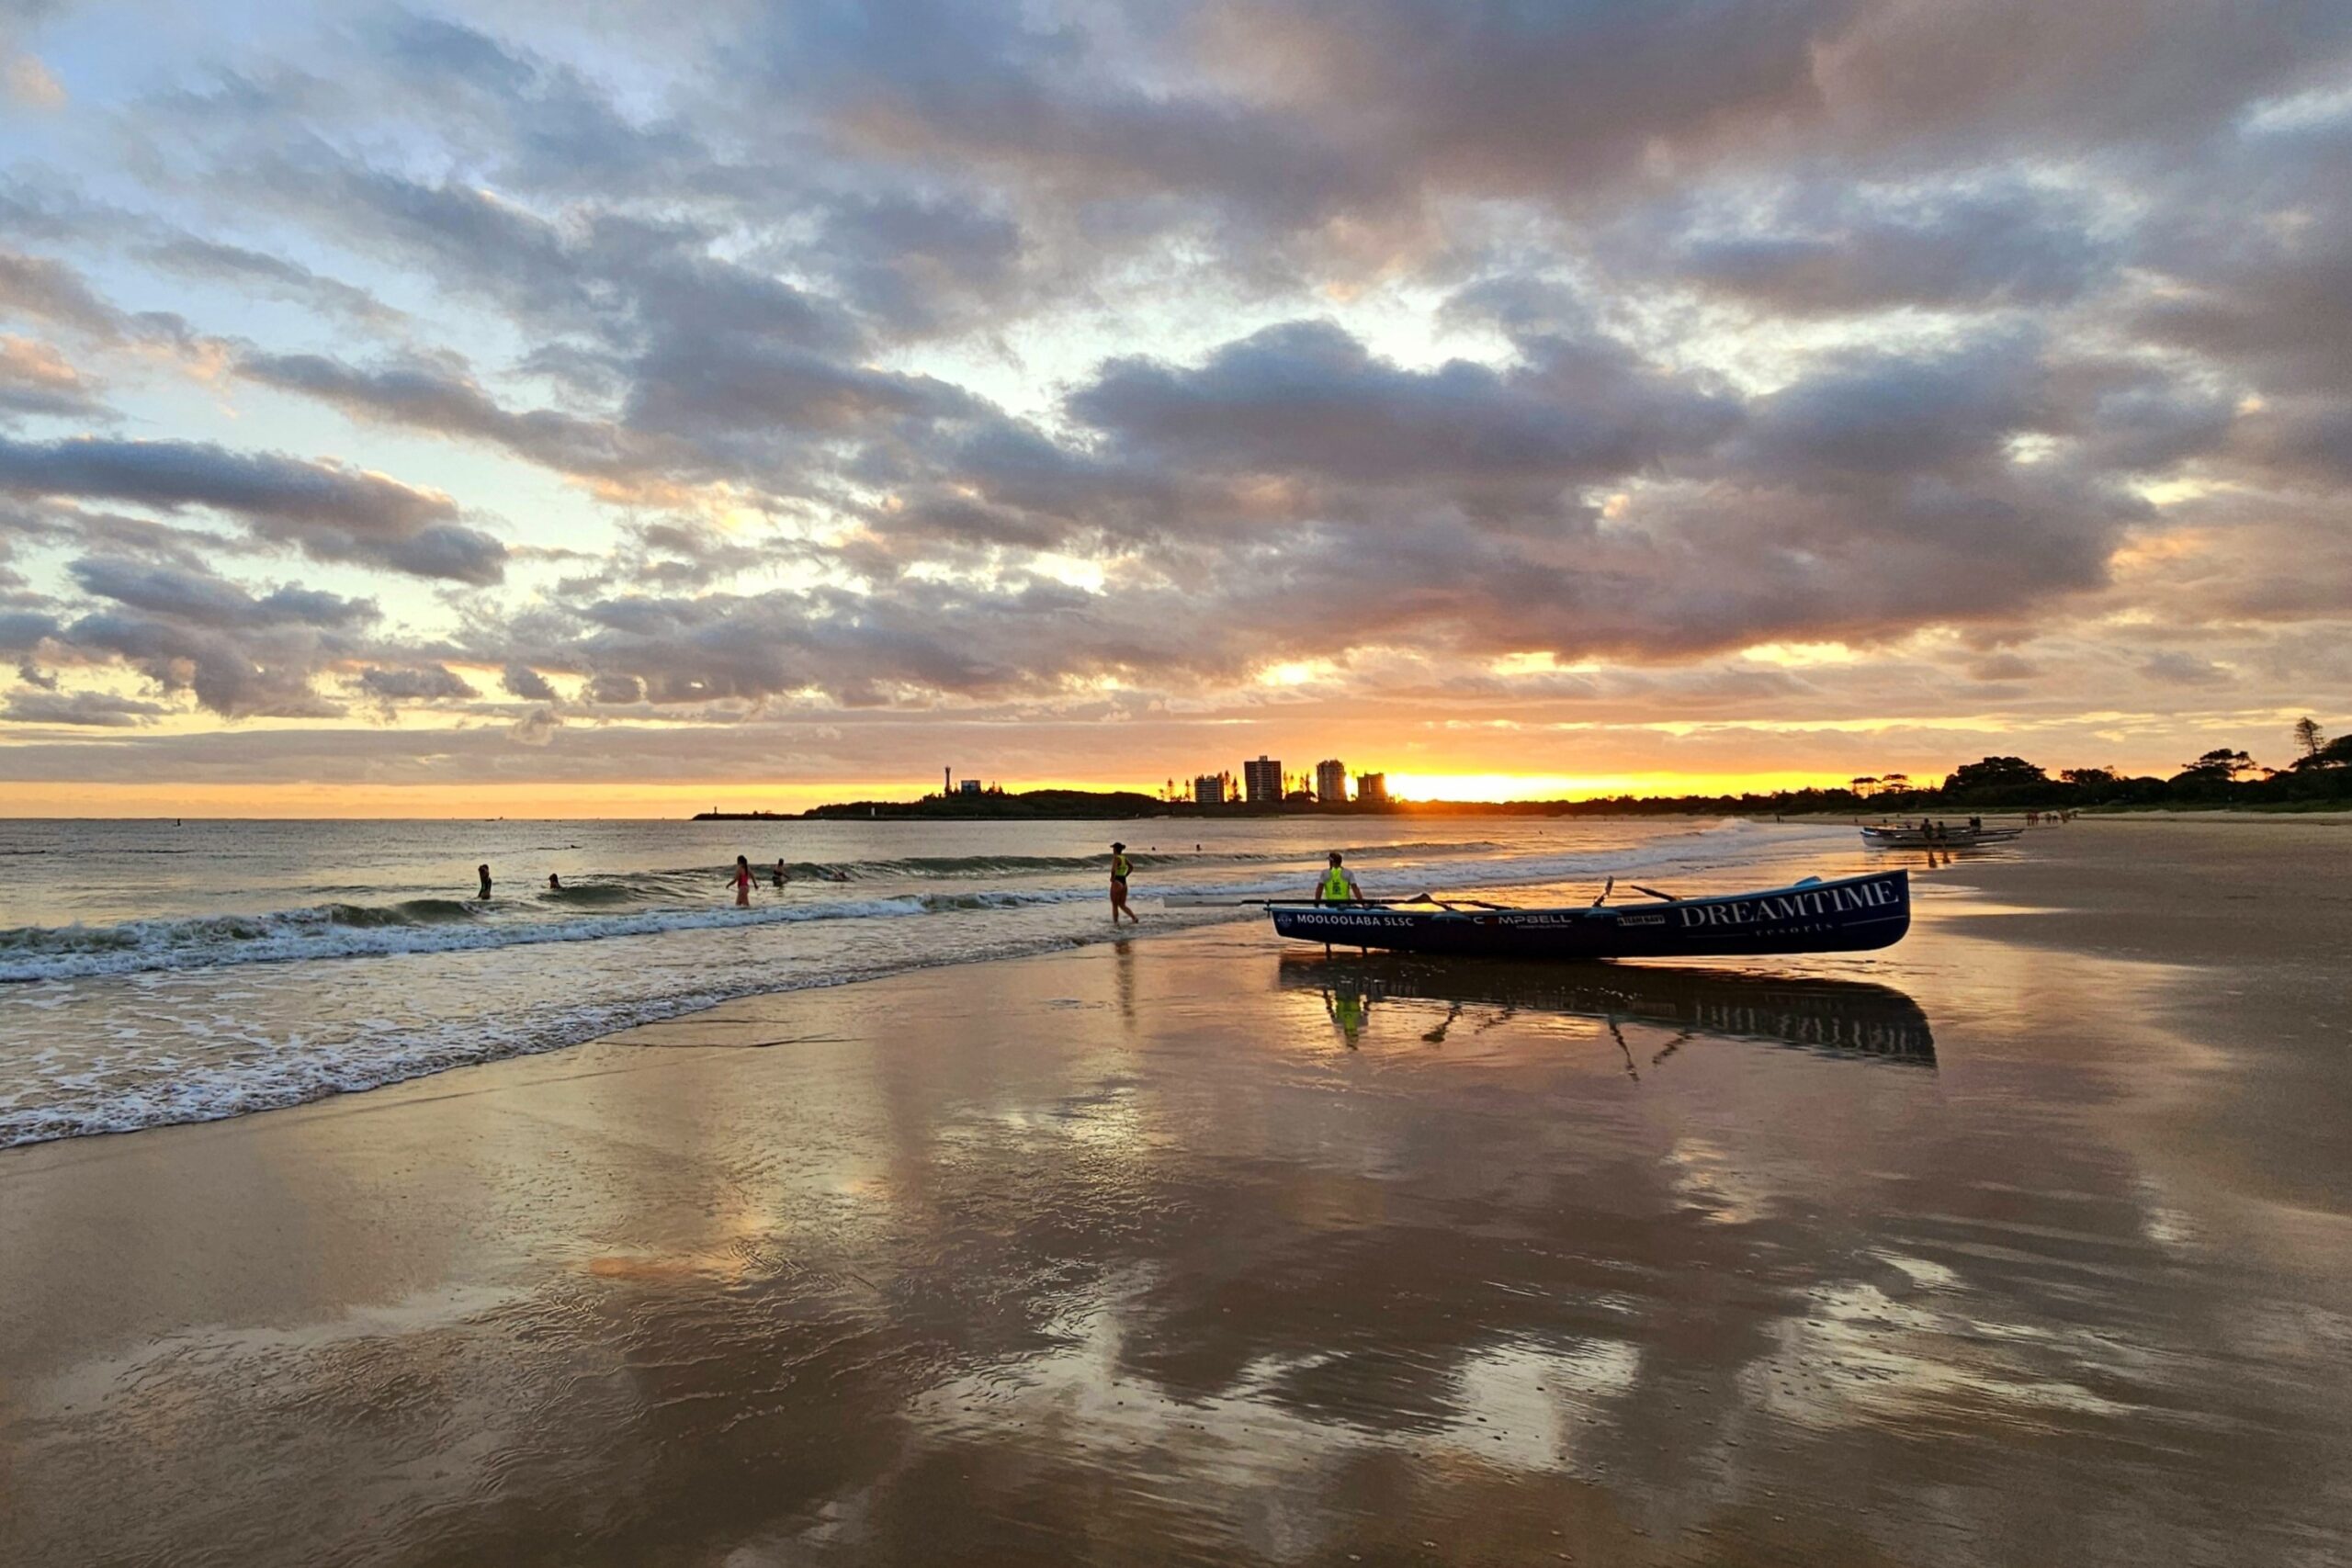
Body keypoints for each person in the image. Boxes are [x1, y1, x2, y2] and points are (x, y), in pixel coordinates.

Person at [1108, 842, 1138, 924]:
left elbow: (1113, 870)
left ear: (1115, 849)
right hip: (1124, 882)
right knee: (1122, 904)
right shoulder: (1124, 858)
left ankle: (1116, 922)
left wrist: (1112, 878)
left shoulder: (1116, 858)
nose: (1113, 850)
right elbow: (1131, 867)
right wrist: (1126, 875)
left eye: (1113, 849)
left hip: (1117, 882)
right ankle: (1134, 918)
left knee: (1115, 905)